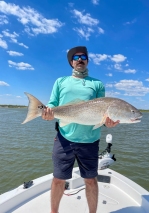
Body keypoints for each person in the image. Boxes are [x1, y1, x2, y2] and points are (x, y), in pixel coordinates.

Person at [42, 46, 119, 213]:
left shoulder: (97, 84)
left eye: (83, 56)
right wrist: (48, 112)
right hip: (64, 139)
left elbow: (102, 112)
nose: (80, 59)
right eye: (76, 57)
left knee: (91, 180)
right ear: (71, 62)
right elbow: (53, 104)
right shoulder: (60, 81)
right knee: (58, 180)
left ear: (87, 60)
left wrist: (108, 122)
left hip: (90, 141)